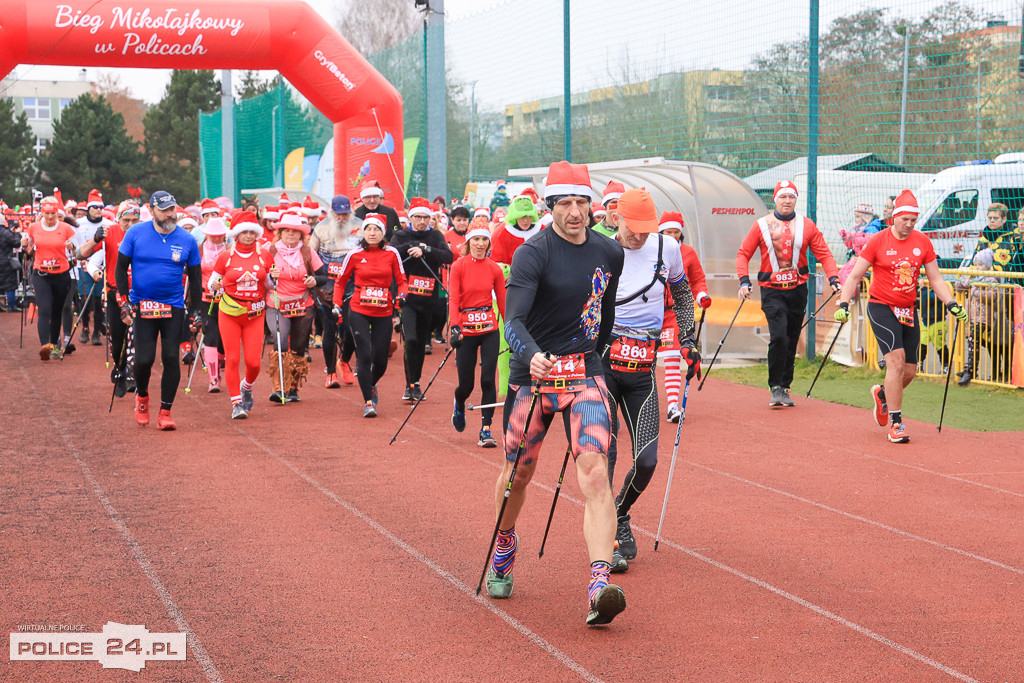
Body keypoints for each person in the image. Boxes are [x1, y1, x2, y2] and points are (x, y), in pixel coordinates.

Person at [487, 160, 627, 627]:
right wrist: (531, 355)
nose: (574, 212)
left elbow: (602, 315)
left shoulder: (610, 252)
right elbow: (515, 321)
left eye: (581, 203)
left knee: (595, 475)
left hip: (585, 374)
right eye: (564, 203)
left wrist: (595, 359)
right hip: (534, 377)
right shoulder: (533, 252)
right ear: (550, 206)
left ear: (592, 206)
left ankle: (599, 585)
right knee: (518, 475)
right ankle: (505, 540)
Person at [600, 190, 699, 574]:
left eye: (646, 229)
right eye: (631, 228)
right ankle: (606, 539)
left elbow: (682, 291)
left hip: (642, 367)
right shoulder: (600, 250)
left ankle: (621, 512)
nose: (638, 236)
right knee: (605, 454)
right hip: (604, 364)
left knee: (647, 460)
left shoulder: (667, 248)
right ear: (616, 218)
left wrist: (688, 338)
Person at [835, 189, 967, 443]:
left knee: (909, 372)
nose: (908, 225)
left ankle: (883, 395)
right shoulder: (878, 241)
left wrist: (950, 302)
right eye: (904, 219)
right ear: (893, 218)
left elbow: (936, 278)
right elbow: (854, 275)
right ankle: (896, 423)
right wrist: (843, 302)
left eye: (913, 221)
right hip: (881, 306)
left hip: (909, 309)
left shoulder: (923, 242)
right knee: (895, 361)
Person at [736, 180, 841, 407]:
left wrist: (834, 278)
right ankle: (775, 385)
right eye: (782, 197)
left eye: (791, 197)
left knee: (792, 338)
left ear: (796, 200)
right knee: (780, 336)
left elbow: (825, 254)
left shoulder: (807, 225)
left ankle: (785, 387)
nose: (787, 201)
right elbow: (743, 253)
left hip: (797, 290)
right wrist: (744, 281)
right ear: (775, 199)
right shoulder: (761, 225)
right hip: (771, 291)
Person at [115, 191, 202, 430]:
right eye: (164, 210)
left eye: (172, 209)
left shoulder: (187, 239)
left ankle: (165, 411)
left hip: (173, 306)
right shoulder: (135, 233)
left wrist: (196, 312)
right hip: (142, 304)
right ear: (152, 211)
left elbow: (196, 279)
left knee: (171, 357)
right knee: (144, 359)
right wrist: (124, 301)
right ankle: (142, 396)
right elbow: (121, 268)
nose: (170, 214)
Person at [332, 214, 408, 417]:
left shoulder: (392, 253)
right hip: (359, 310)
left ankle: (371, 383)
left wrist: (402, 295)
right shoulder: (354, 254)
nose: (372, 233)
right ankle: (368, 402)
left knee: (380, 360)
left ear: (383, 232)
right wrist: (337, 304)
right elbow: (340, 282)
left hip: (383, 311)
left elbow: (402, 281)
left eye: (376, 229)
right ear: (363, 232)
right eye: (368, 229)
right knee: (364, 355)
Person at [207, 213, 273, 419]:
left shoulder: (264, 255)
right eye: (244, 232)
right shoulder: (226, 256)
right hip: (230, 313)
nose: (248, 236)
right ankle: (236, 403)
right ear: (236, 234)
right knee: (233, 359)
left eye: (252, 232)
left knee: (254, 363)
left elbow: (270, 285)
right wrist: (215, 286)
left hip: (255, 314)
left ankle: (247, 386)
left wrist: (275, 279)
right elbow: (212, 283)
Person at [389, 197, 454, 401]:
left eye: (427, 217)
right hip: (408, 297)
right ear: (410, 218)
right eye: (418, 217)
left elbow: (448, 256)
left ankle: (415, 382)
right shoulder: (400, 235)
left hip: (429, 298)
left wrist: (426, 249)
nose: (422, 221)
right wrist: (413, 246)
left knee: (421, 342)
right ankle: (409, 384)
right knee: (411, 340)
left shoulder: (435, 235)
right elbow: (391, 254)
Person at [448, 225, 506, 447]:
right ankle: (459, 403)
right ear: (468, 243)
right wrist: (455, 327)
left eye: (484, 239)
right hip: (466, 331)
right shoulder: (458, 267)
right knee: (466, 385)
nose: (480, 244)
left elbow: (502, 302)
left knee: (488, 380)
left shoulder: (495, 269)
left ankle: (486, 430)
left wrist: (511, 328)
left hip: (489, 329)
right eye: (476, 239)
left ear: (489, 243)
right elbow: (453, 299)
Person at [264, 213, 329, 403]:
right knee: (280, 341)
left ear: (301, 235)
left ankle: (293, 388)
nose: (291, 234)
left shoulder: (308, 253)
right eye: (287, 231)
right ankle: (279, 387)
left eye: (295, 231)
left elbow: (323, 277)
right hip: (276, 304)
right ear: (280, 233)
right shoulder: (271, 252)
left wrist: (313, 280)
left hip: (303, 304)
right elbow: (261, 278)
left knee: (299, 347)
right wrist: (270, 276)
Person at [655, 211, 711, 422]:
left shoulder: (688, 252)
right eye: (667, 232)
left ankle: (672, 406)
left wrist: (702, 296)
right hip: (649, 312)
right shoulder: (650, 250)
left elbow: (697, 280)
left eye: (676, 232)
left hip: (674, 314)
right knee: (644, 361)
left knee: (672, 357)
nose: (672, 235)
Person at [80, 200, 140, 395]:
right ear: (118, 219)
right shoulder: (110, 232)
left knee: (138, 338)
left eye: (135, 220)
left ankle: (133, 375)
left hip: (140, 294)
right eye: (126, 220)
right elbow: (82, 254)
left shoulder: (147, 233)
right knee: (118, 338)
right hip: (115, 293)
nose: (131, 224)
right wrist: (96, 239)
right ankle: (120, 368)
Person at [311, 195, 360, 388]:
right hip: (328, 285)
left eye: (345, 213)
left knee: (352, 328)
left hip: (353, 284)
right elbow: (311, 255)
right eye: (338, 214)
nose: (341, 217)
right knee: (330, 329)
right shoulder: (321, 227)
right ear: (332, 212)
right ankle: (330, 373)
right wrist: (316, 285)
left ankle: (345, 360)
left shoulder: (361, 226)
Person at [20, 196, 77, 360]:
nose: (50, 216)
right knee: (44, 309)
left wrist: (72, 247)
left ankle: (54, 345)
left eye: (53, 213)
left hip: (61, 274)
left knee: (57, 310)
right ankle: (45, 345)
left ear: (57, 212)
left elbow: (78, 252)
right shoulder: (33, 228)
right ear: (42, 212)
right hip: (41, 274)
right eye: (47, 213)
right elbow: (28, 253)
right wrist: (25, 245)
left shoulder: (66, 228)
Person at [954, 248, 1010, 386]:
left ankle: (971, 370)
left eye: (981, 265)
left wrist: (976, 292)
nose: (978, 268)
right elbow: (958, 287)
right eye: (976, 265)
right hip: (973, 317)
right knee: (973, 341)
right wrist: (964, 281)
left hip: (984, 318)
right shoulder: (974, 277)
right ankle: (969, 368)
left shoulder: (990, 278)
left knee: (974, 341)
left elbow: (993, 296)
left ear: (987, 265)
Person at [198, 217, 229, 392]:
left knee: (224, 340)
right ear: (207, 235)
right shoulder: (200, 250)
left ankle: (220, 362)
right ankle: (213, 378)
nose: (216, 238)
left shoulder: (230, 250)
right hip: (206, 299)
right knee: (210, 336)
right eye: (213, 235)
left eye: (219, 235)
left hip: (227, 299)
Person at [490, 194, 541, 271]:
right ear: (514, 217)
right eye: (521, 217)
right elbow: (496, 261)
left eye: (528, 216)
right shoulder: (504, 234)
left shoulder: (542, 231)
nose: (525, 220)